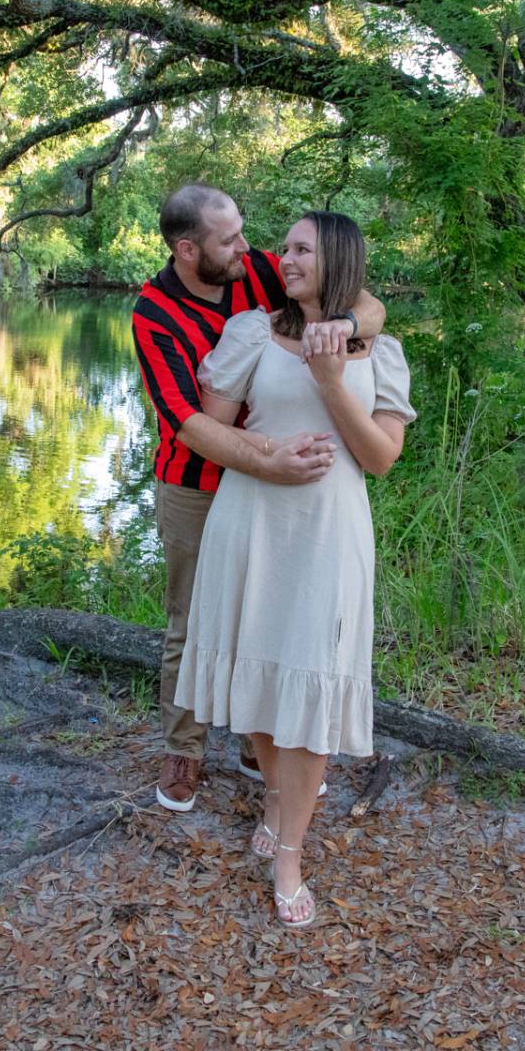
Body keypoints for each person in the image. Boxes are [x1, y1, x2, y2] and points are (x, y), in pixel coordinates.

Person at [172, 210, 414, 928]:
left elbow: (379, 459)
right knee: (259, 669)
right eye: (287, 246)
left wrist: (333, 379)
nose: (286, 256)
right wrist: (267, 458)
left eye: (303, 248)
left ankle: (289, 852)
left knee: (311, 683)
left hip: (328, 531)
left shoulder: (382, 352)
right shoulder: (250, 332)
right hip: (251, 520)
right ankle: (276, 794)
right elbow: (209, 431)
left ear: (337, 260)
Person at [132, 184, 385, 813]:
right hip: (195, 481)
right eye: (230, 239)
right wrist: (266, 458)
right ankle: (184, 749)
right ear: (188, 251)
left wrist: (344, 329)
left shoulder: (262, 271)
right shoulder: (154, 314)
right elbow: (186, 420)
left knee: (268, 610)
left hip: (281, 486)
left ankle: (259, 742)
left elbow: (365, 301)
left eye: (244, 231)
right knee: (192, 619)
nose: (250, 247)